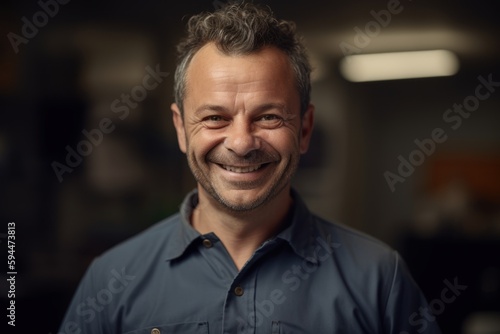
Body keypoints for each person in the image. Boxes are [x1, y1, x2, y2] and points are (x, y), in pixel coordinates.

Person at [58, 2, 442, 333]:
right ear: (180, 129)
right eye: (214, 118)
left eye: (269, 117)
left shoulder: (380, 280)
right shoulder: (110, 280)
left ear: (304, 129)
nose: (241, 143)